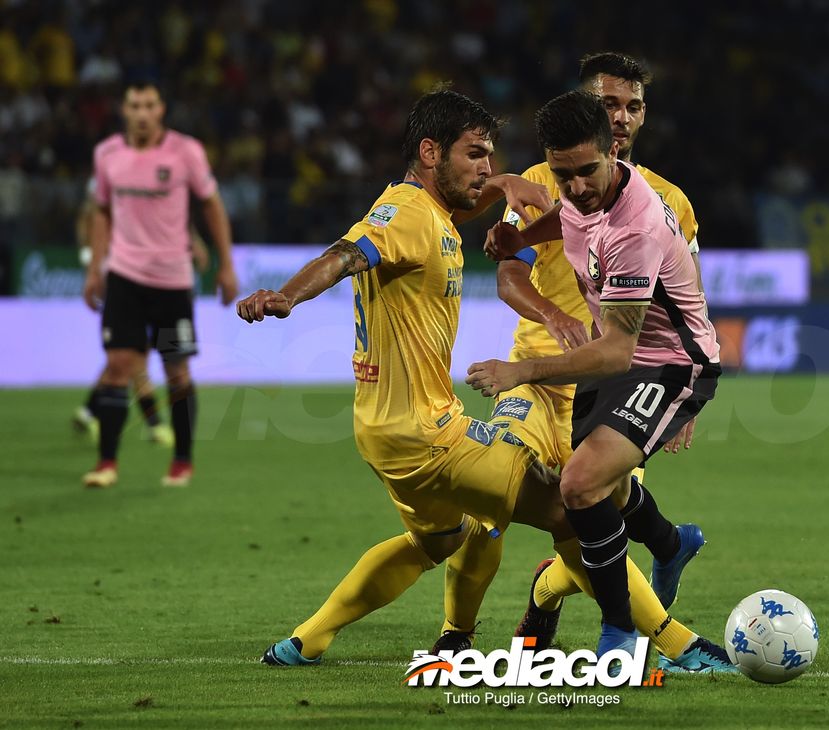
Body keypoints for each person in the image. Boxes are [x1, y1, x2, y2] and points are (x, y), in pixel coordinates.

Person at [237, 88, 731, 672]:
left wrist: (503, 191)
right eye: (475, 155)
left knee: (442, 540)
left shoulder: (433, 217)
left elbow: (462, 211)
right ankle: (675, 643)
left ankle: (310, 639)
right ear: (429, 152)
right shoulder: (407, 217)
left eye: (491, 157)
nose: (487, 168)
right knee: (577, 509)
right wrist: (287, 296)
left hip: (381, 433)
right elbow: (347, 253)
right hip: (434, 434)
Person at [433, 52, 705, 655]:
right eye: (609, 104)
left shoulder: (669, 201)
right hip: (537, 379)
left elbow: (690, 295)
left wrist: (684, 400)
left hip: (620, 381)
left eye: (633, 105)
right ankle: (456, 637)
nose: (623, 117)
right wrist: (552, 315)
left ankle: (555, 596)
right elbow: (508, 274)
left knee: (590, 514)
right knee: (494, 503)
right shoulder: (543, 177)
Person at [81, 81, 237, 489]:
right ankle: (106, 463)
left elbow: (212, 206)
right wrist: (95, 269)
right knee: (118, 366)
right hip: (124, 278)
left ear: (161, 109)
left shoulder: (186, 152)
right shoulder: (107, 154)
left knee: (176, 372)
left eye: (149, 104)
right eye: (135, 105)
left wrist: (226, 265)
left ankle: (182, 460)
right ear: (124, 110)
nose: (142, 113)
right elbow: (100, 213)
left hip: (172, 282)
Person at [73, 179, 211, 448]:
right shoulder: (116, 188)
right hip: (127, 278)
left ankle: (91, 410)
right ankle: (154, 424)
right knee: (134, 356)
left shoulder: (131, 191)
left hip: (136, 276)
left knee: (126, 355)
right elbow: (91, 217)